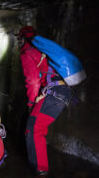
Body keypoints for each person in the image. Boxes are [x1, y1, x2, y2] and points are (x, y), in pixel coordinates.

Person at [17, 26, 72, 177]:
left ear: (23, 39)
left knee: (34, 130)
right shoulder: (45, 50)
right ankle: (40, 168)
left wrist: (31, 102)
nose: (18, 42)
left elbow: (33, 81)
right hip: (63, 92)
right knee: (37, 129)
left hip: (52, 93)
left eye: (18, 39)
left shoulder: (27, 53)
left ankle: (41, 171)